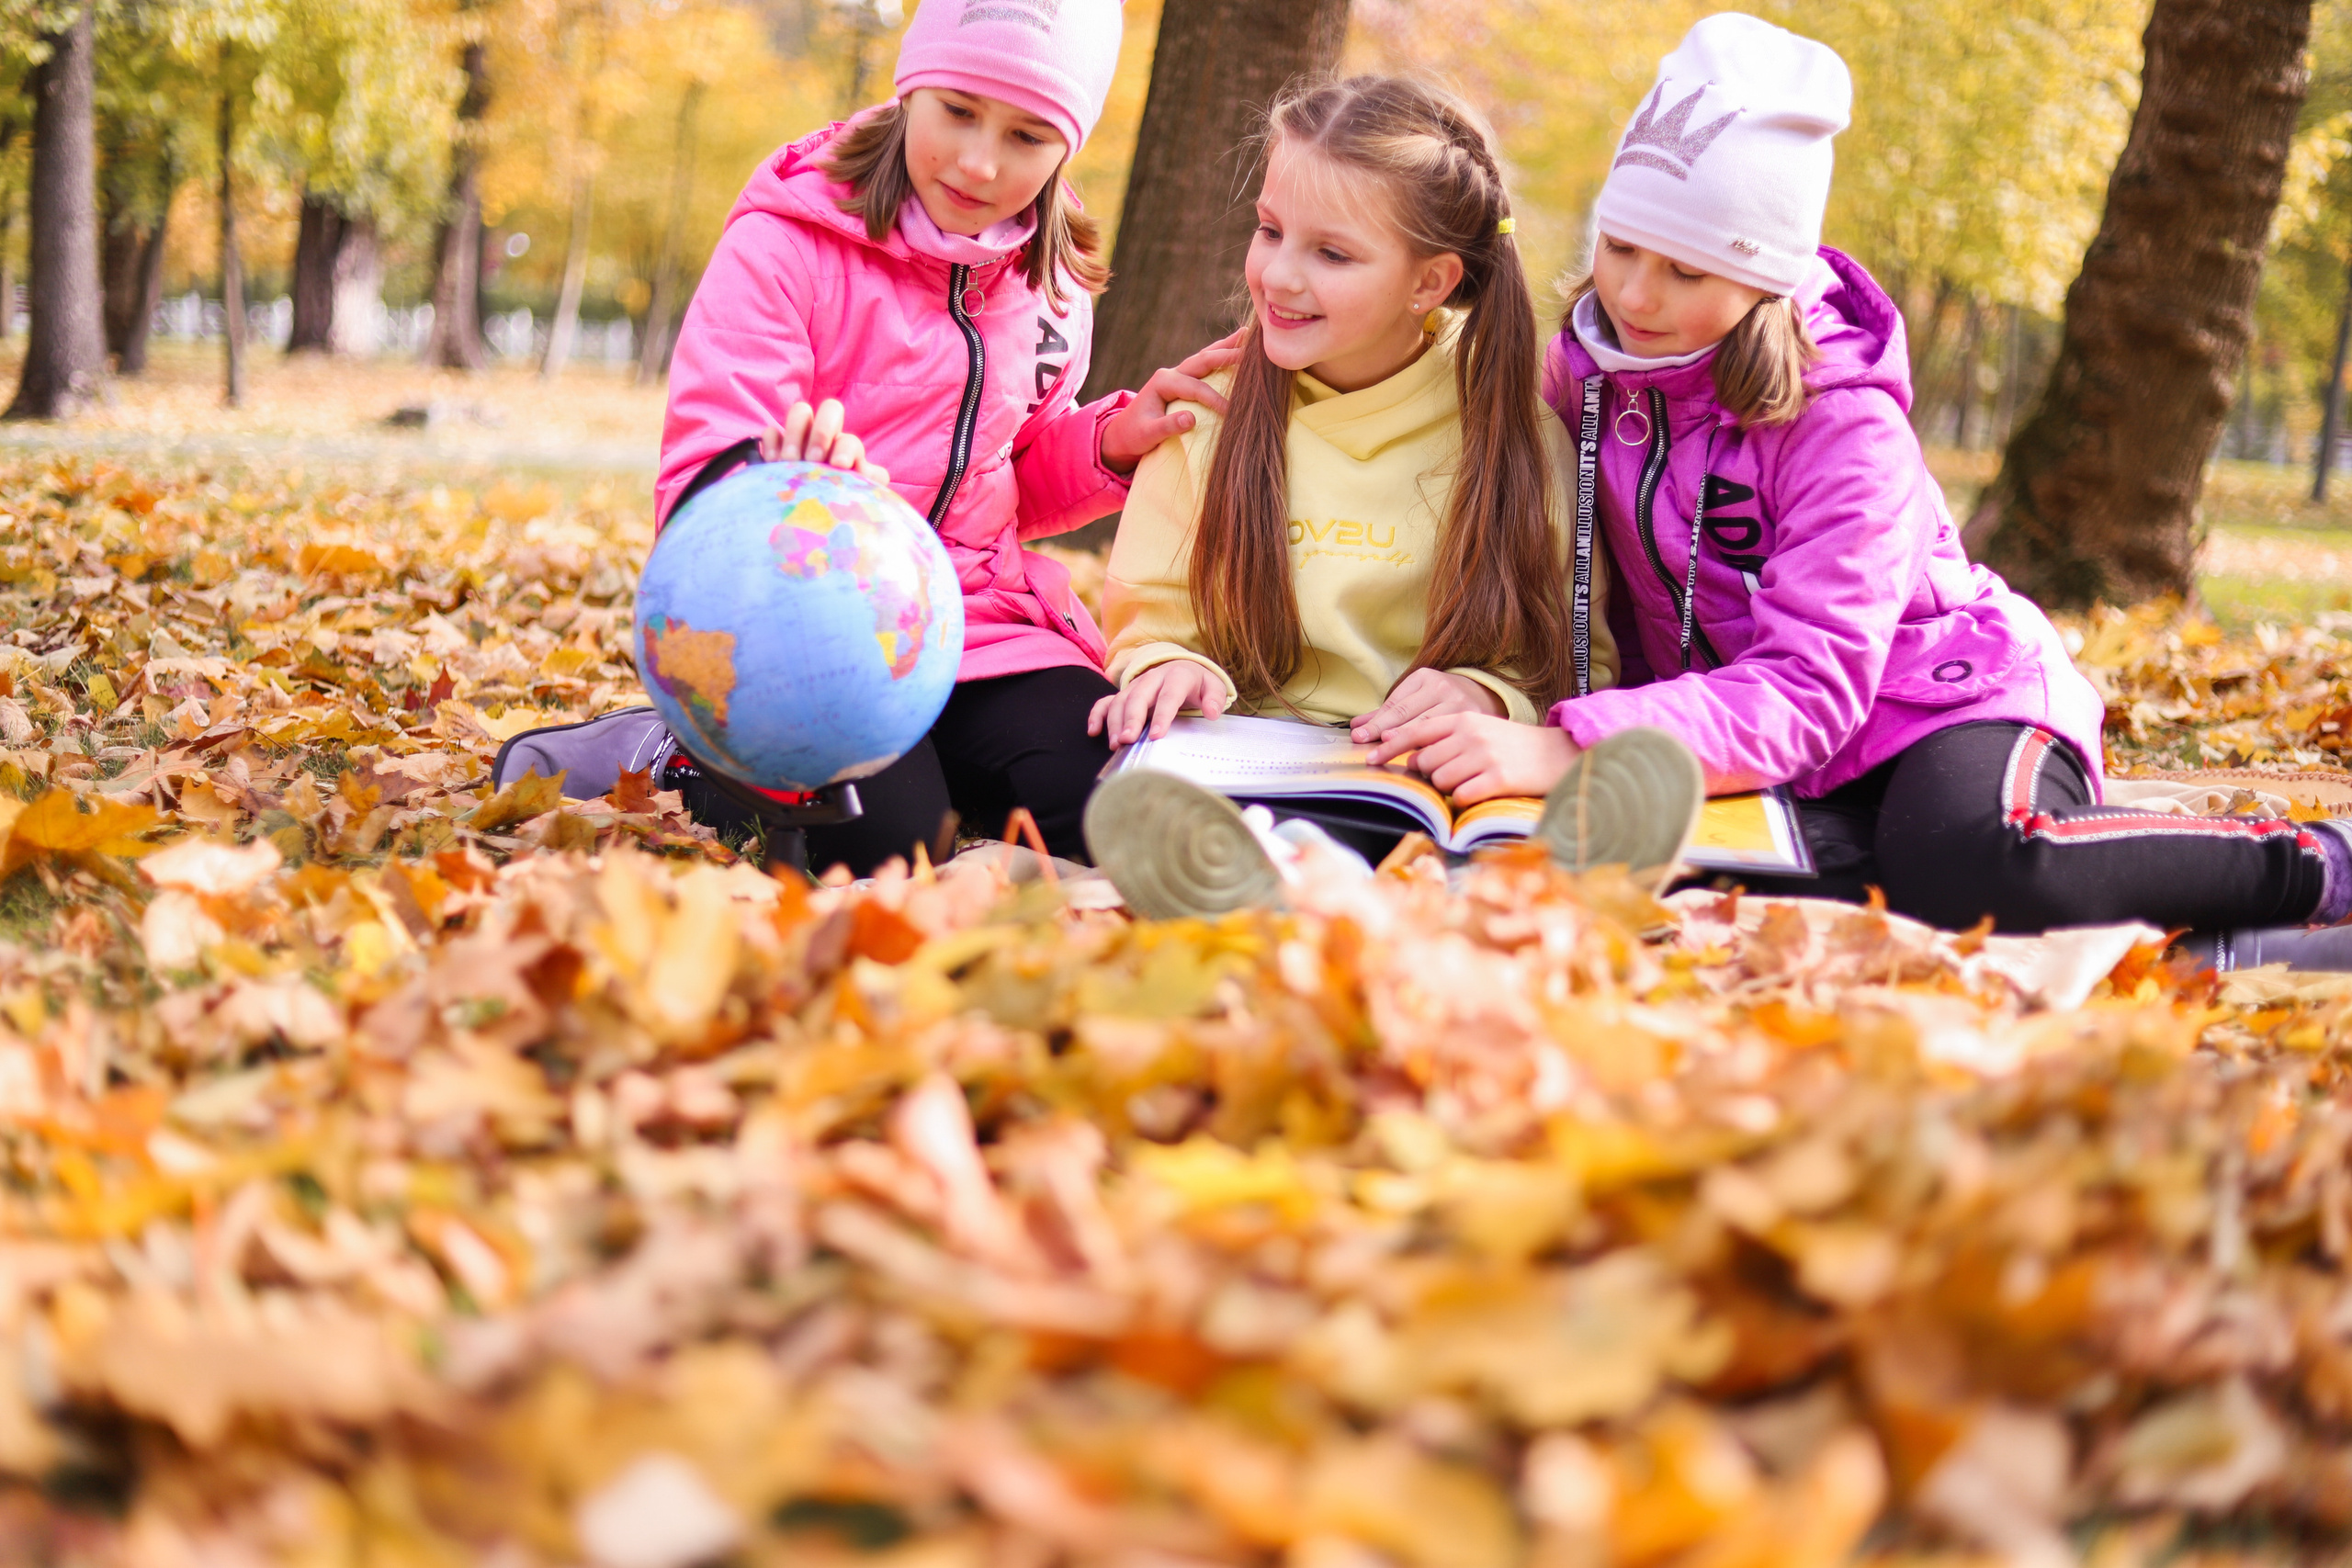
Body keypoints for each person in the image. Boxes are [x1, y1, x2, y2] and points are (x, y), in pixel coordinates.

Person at [1365, 11, 2352, 970]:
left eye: (1686, 270)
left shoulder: (1843, 425)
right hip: (1747, 743)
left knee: (1969, 859)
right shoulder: (1586, 376)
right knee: (1691, 879)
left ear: (1767, 279)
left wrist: (1576, 748)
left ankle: (2313, 863)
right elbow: (1437, 411)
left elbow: (1813, 684)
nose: (1633, 296)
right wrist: (1252, 386)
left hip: (1944, 703)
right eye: (1620, 248)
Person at [494, 0, 1227, 876]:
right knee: (888, 849)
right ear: (911, 85)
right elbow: (702, 480)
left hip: (977, 626)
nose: (981, 161)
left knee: (1119, 798)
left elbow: (1012, 480)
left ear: (1066, 145)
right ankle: (678, 749)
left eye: (1029, 135)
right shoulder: (785, 243)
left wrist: (1108, 443)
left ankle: (937, 770)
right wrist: (787, 490)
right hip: (809, 626)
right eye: (957, 110)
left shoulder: (1053, 285)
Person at [1080, 74, 1618, 919]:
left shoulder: (1513, 441)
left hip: (1424, 794)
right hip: (1240, 782)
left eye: (1331, 254)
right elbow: (1153, 613)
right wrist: (1166, 662)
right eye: (1270, 230)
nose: (1280, 276)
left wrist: (1487, 694)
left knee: (1489, 886)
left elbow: (1566, 661)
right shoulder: (1209, 417)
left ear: (1429, 283)